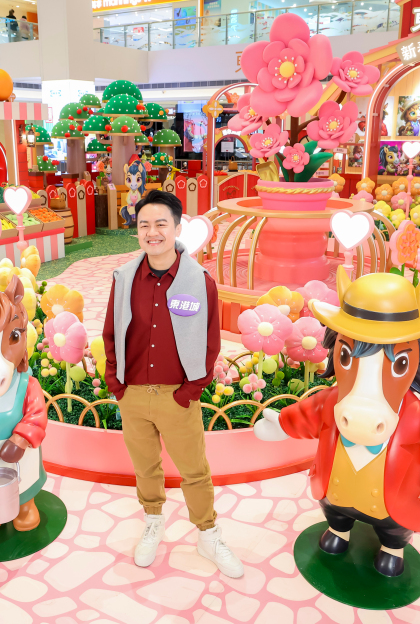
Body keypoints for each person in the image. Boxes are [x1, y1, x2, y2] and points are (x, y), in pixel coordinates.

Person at [102, 189, 243, 579]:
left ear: (177, 228)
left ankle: (208, 534)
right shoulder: (124, 277)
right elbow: (111, 331)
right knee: (145, 467)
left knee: (194, 470)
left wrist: (189, 392)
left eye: (161, 224)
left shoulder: (199, 281)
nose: (152, 232)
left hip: (177, 397)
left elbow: (211, 341)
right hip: (133, 395)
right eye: (144, 225)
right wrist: (117, 384)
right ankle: (153, 521)